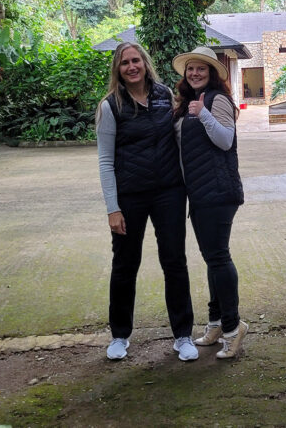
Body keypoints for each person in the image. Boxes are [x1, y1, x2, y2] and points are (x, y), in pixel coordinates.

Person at [96, 42, 197, 362]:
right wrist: (113, 207)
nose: (131, 66)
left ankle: (183, 335)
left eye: (136, 60)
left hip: (169, 192)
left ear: (145, 63)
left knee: (174, 262)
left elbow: (181, 139)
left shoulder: (165, 95)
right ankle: (119, 335)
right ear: (118, 68)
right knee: (125, 265)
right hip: (130, 198)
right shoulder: (111, 106)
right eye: (125, 62)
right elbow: (104, 161)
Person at [172, 46, 248, 359]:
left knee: (218, 257)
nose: (195, 73)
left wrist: (202, 114)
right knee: (212, 259)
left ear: (212, 73)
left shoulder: (217, 101)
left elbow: (225, 140)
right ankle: (216, 322)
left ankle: (233, 328)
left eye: (201, 68)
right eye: (191, 69)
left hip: (218, 191)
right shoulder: (185, 104)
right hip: (199, 192)